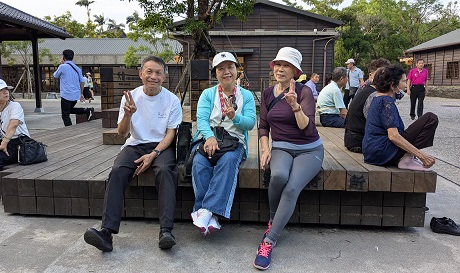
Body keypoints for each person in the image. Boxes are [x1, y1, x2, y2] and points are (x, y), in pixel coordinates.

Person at [83, 56, 182, 252]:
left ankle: (166, 231)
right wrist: (128, 114)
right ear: (141, 74)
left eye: (158, 73)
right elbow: (121, 133)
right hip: (135, 144)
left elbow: (171, 134)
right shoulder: (130, 97)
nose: (153, 76)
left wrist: (153, 154)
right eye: (149, 72)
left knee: (165, 170)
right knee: (118, 170)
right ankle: (106, 232)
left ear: (165, 77)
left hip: (161, 146)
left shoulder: (172, 100)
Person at [254, 47, 324, 270]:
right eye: (278, 64)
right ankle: (275, 218)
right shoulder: (267, 93)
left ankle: (269, 240)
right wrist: (265, 150)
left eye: (286, 65)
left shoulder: (304, 92)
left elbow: (308, 129)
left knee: (292, 188)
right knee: (278, 176)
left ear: (295, 71)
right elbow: (263, 126)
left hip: (309, 149)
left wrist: (295, 106)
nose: (280, 69)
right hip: (282, 147)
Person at [190, 52, 256, 235]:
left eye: (230, 67)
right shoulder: (208, 94)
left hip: (235, 141)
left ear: (237, 70)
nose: (226, 72)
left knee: (227, 162)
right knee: (199, 163)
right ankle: (211, 216)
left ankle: (204, 210)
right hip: (209, 138)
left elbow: (250, 123)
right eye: (221, 68)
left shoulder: (247, 96)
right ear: (215, 73)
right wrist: (209, 137)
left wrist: (235, 117)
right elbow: (201, 119)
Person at [363, 65, 438, 171]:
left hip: (373, 152)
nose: (406, 84)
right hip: (382, 152)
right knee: (430, 118)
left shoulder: (377, 98)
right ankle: (407, 158)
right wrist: (422, 155)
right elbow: (393, 136)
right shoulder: (386, 102)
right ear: (393, 85)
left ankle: (407, 157)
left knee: (425, 120)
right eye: (403, 81)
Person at [344, 58, 391, 153]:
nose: (385, 77)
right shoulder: (373, 94)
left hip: (352, 139)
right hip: (359, 142)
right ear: (372, 75)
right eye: (382, 74)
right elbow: (376, 123)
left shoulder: (365, 89)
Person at [53, 49, 94, 126]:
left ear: (63, 57)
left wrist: (60, 64)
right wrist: (81, 93)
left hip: (66, 94)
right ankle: (86, 110)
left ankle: (70, 130)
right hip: (75, 95)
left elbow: (55, 75)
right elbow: (82, 82)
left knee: (65, 115)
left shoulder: (62, 66)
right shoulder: (77, 68)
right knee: (69, 110)